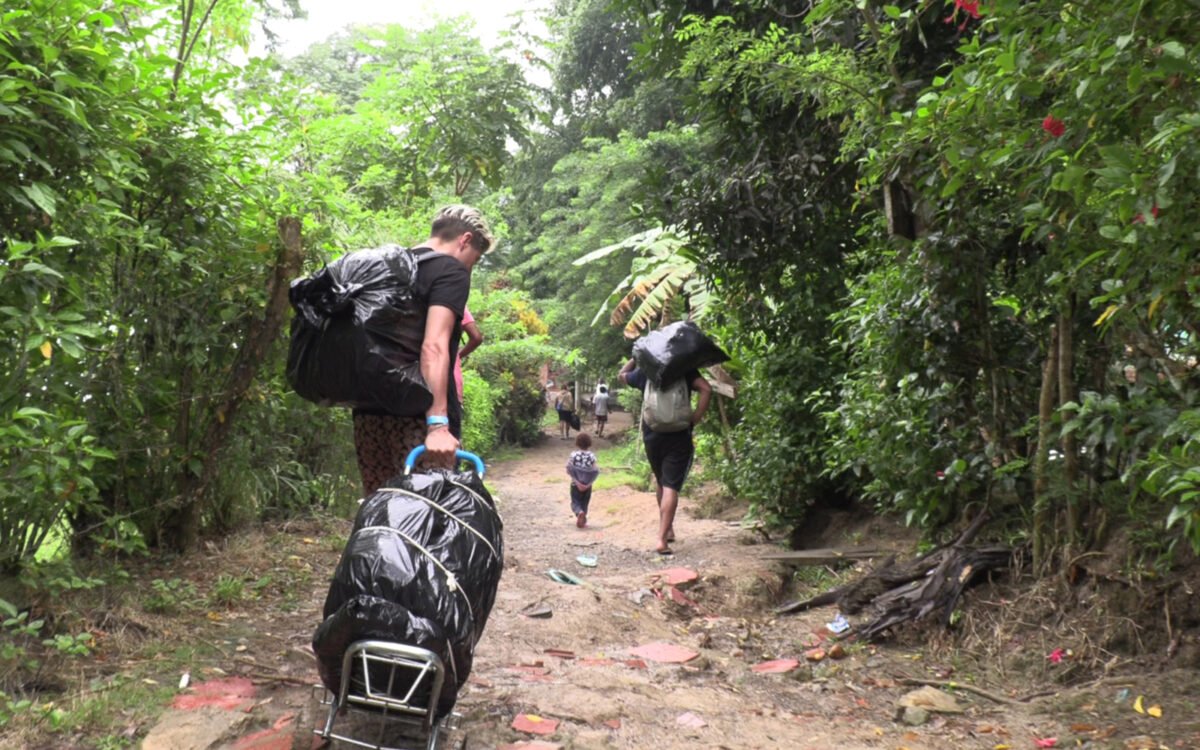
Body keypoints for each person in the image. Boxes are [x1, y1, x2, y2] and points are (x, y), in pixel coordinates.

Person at [352, 205, 494, 495]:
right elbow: (434, 346)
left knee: (384, 512)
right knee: (430, 519)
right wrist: (438, 425)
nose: (470, 267)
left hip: (368, 414)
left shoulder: (387, 266)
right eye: (474, 259)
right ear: (465, 240)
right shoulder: (449, 270)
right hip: (418, 419)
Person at [618, 358, 711, 555]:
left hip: (653, 435)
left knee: (661, 482)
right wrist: (695, 417)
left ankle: (667, 529)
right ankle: (662, 539)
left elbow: (621, 376)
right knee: (671, 486)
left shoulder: (647, 370)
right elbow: (706, 389)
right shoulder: (685, 368)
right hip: (679, 434)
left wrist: (635, 359)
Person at [566, 432, 600, 528]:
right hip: (587, 484)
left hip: (575, 483)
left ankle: (579, 513)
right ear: (589, 443)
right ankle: (583, 518)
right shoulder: (591, 456)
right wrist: (589, 483)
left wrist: (575, 480)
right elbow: (595, 470)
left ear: (577, 443)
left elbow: (568, 468)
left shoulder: (574, 455)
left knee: (575, 501)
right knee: (585, 502)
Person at [452, 305, 483, 407]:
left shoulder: (414, 302)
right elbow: (476, 337)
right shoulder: (455, 301)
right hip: (452, 382)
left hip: (417, 380)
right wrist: (457, 355)